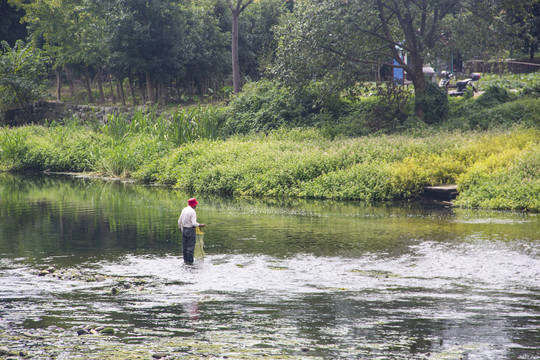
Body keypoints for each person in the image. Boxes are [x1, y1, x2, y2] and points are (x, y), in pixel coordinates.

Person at [178, 198, 206, 265]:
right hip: (191, 230)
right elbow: (193, 223)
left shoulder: (184, 209)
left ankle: (185, 262)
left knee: (184, 247)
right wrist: (200, 225)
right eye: (196, 204)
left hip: (184, 230)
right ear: (194, 205)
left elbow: (179, 221)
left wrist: (180, 228)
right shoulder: (192, 211)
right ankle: (190, 263)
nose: (196, 206)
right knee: (190, 248)